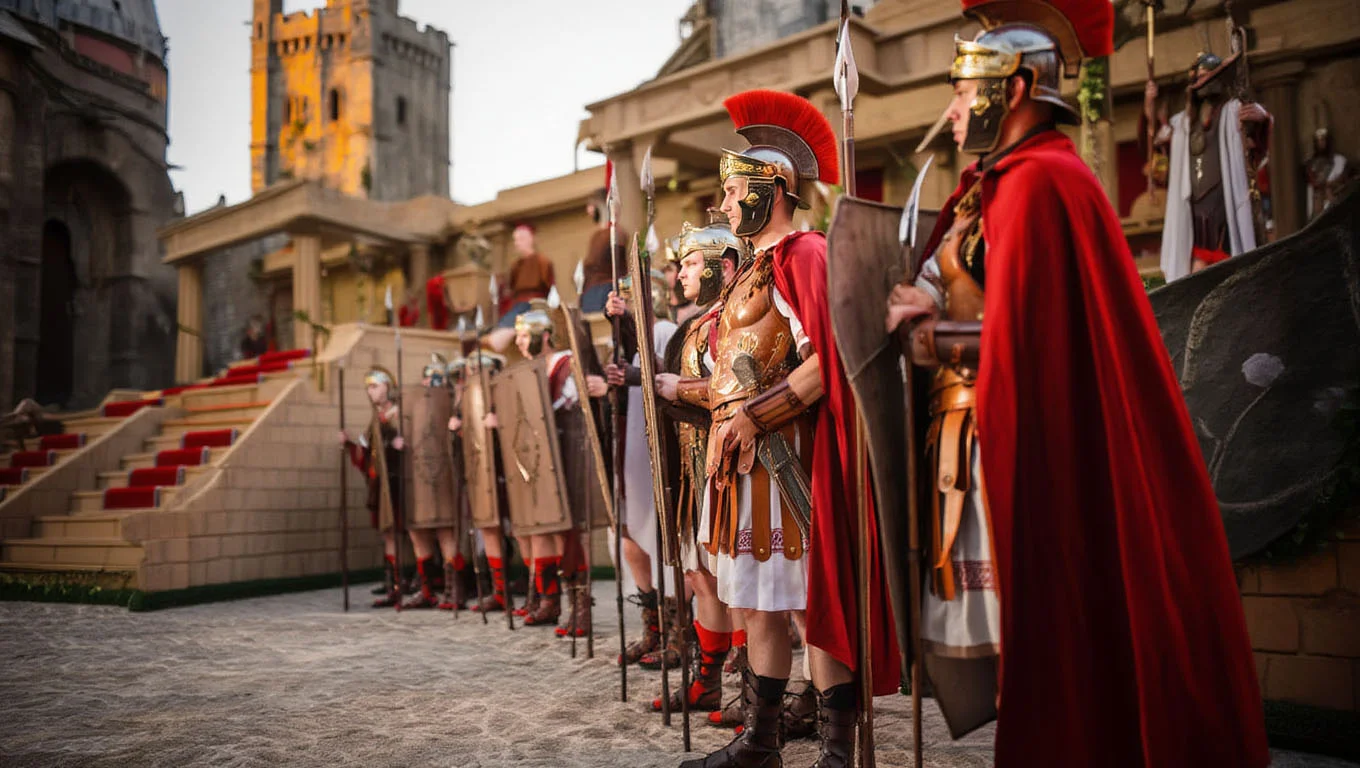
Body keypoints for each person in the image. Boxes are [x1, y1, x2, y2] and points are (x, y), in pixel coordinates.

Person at [886, 2, 1268, 765]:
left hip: (1040, 445)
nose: (954, 111)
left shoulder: (1048, 183)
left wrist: (932, 336)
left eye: (965, 93)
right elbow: (986, 296)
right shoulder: (990, 187)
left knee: (1062, 636)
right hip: (978, 438)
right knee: (1000, 637)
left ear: (1017, 88)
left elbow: (1036, 343)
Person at [682, 88, 900, 768]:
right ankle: (762, 741)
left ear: (768, 190)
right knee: (755, 605)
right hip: (740, 463)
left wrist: (753, 414)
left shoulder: (804, 254)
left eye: (730, 192)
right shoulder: (750, 271)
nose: (723, 206)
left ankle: (840, 751)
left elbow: (829, 363)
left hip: (791, 464)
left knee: (812, 604)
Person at [651, 219, 745, 716]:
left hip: (728, 465)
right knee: (700, 578)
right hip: (692, 470)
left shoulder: (734, 318)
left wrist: (679, 390)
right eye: (681, 264)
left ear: (722, 266)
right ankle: (708, 681)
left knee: (740, 582)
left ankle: (755, 693)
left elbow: (737, 392)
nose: (680, 274)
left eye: (690, 264)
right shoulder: (695, 324)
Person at [509, 299, 609, 628]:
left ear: (546, 335)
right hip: (542, 458)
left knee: (569, 532)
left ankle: (581, 606)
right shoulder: (528, 370)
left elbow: (562, 404)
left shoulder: (567, 363)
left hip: (568, 454)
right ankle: (550, 600)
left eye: (524, 336)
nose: (519, 342)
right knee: (544, 528)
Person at [602, 272, 678, 668]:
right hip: (630, 441)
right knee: (630, 535)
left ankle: (678, 631)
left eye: (630, 298)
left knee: (661, 535)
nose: (624, 303)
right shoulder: (630, 338)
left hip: (656, 443)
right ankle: (654, 628)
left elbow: (668, 375)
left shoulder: (666, 329)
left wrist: (629, 375)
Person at [1151, 49, 1272, 281]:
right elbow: (1159, 156)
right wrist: (1150, 109)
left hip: (1224, 203)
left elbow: (1256, 144)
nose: (1205, 82)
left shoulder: (1231, 111)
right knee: (1196, 272)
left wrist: (1262, 117)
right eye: (1200, 77)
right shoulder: (1183, 123)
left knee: (1230, 270)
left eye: (1210, 76)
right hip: (1195, 209)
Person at [397, 355, 462, 609]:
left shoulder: (452, 399)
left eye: (437, 376)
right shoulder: (412, 401)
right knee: (417, 531)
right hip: (416, 475)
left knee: (446, 530)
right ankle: (427, 589)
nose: (431, 381)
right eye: (429, 376)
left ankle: (453, 588)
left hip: (444, 475)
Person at [340, 366, 406, 608]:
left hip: (397, 482)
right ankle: (393, 584)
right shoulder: (375, 419)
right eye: (368, 387)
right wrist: (349, 444)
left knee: (402, 533)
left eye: (374, 386)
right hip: (380, 484)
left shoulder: (397, 414)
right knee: (387, 533)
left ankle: (406, 584)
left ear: (387, 386)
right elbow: (366, 451)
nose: (370, 391)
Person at [579, 188, 631, 313]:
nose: (589, 211)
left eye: (591, 205)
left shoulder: (616, 233)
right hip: (592, 292)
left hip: (606, 290)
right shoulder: (597, 236)